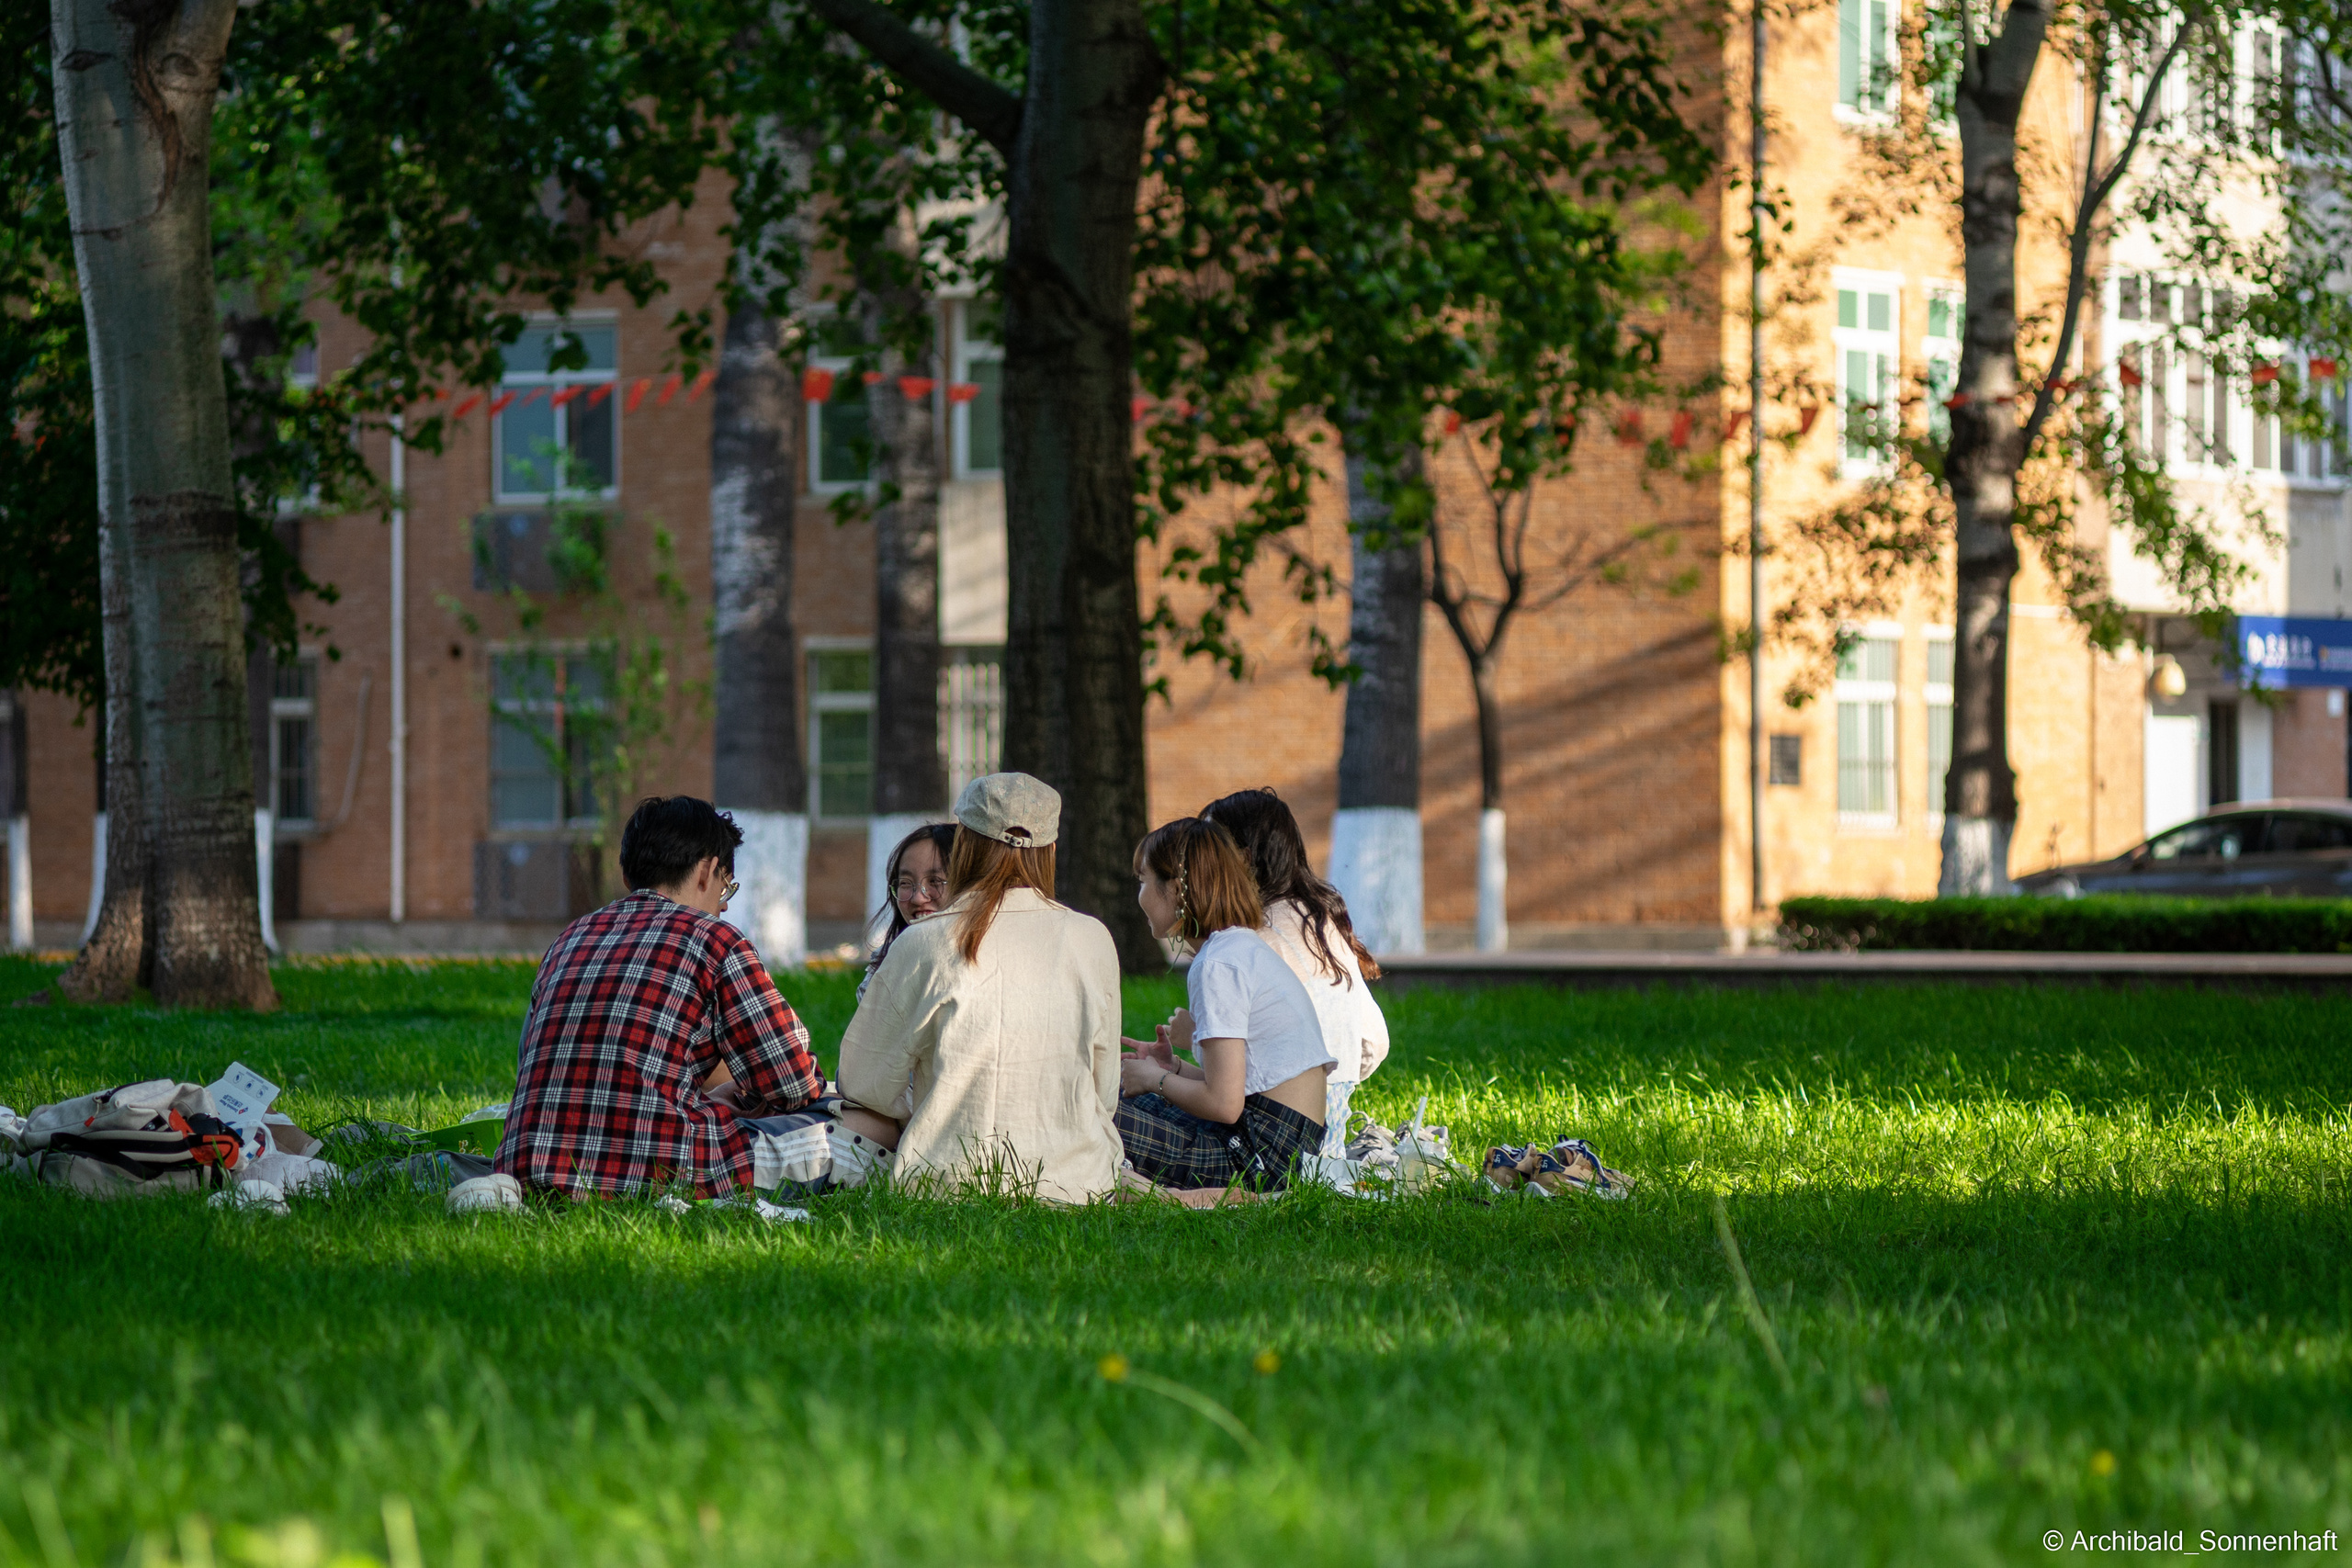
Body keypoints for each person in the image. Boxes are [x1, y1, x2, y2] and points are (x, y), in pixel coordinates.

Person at [494, 795, 825, 1199]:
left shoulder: (570, 937)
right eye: (727, 889)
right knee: (842, 1129)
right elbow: (794, 1087)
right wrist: (739, 1096)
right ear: (707, 871)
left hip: (528, 1167)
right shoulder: (716, 940)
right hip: (657, 1173)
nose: (722, 907)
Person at [832, 773, 1125, 1202]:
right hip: (1080, 1186)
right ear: (1052, 851)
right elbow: (1104, 1091)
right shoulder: (1093, 937)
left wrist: (935, 1104)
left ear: (964, 845)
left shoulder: (923, 941)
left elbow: (862, 1084)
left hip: (945, 1186)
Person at [1117, 817, 1333, 1191]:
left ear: (1177, 888)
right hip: (1283, 1145)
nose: (1139, 896)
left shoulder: (1218, 964)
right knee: (1114, 1101)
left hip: (1258, 1157)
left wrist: (1156, 1079)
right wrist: (1176, 1068)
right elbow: (1247, 1086)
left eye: (1143, 880)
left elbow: (1224, 1104)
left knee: (1095, 1114)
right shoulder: (1238, 947)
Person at [1199, 787, 1390, 1155]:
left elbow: (1226, 1085)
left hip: (1273, 1138)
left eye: (1210, 852)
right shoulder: (1320, 922)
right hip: (1329, 1139)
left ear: (1243, 858)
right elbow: (1374, 1042)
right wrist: (1332, 1087)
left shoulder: (1251, 941)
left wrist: (1193, 1039)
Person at [861, 822, 956, 999]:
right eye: (905, 883)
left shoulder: (986, 969)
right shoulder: (882, 970)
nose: (918, 898)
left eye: (935, 881)